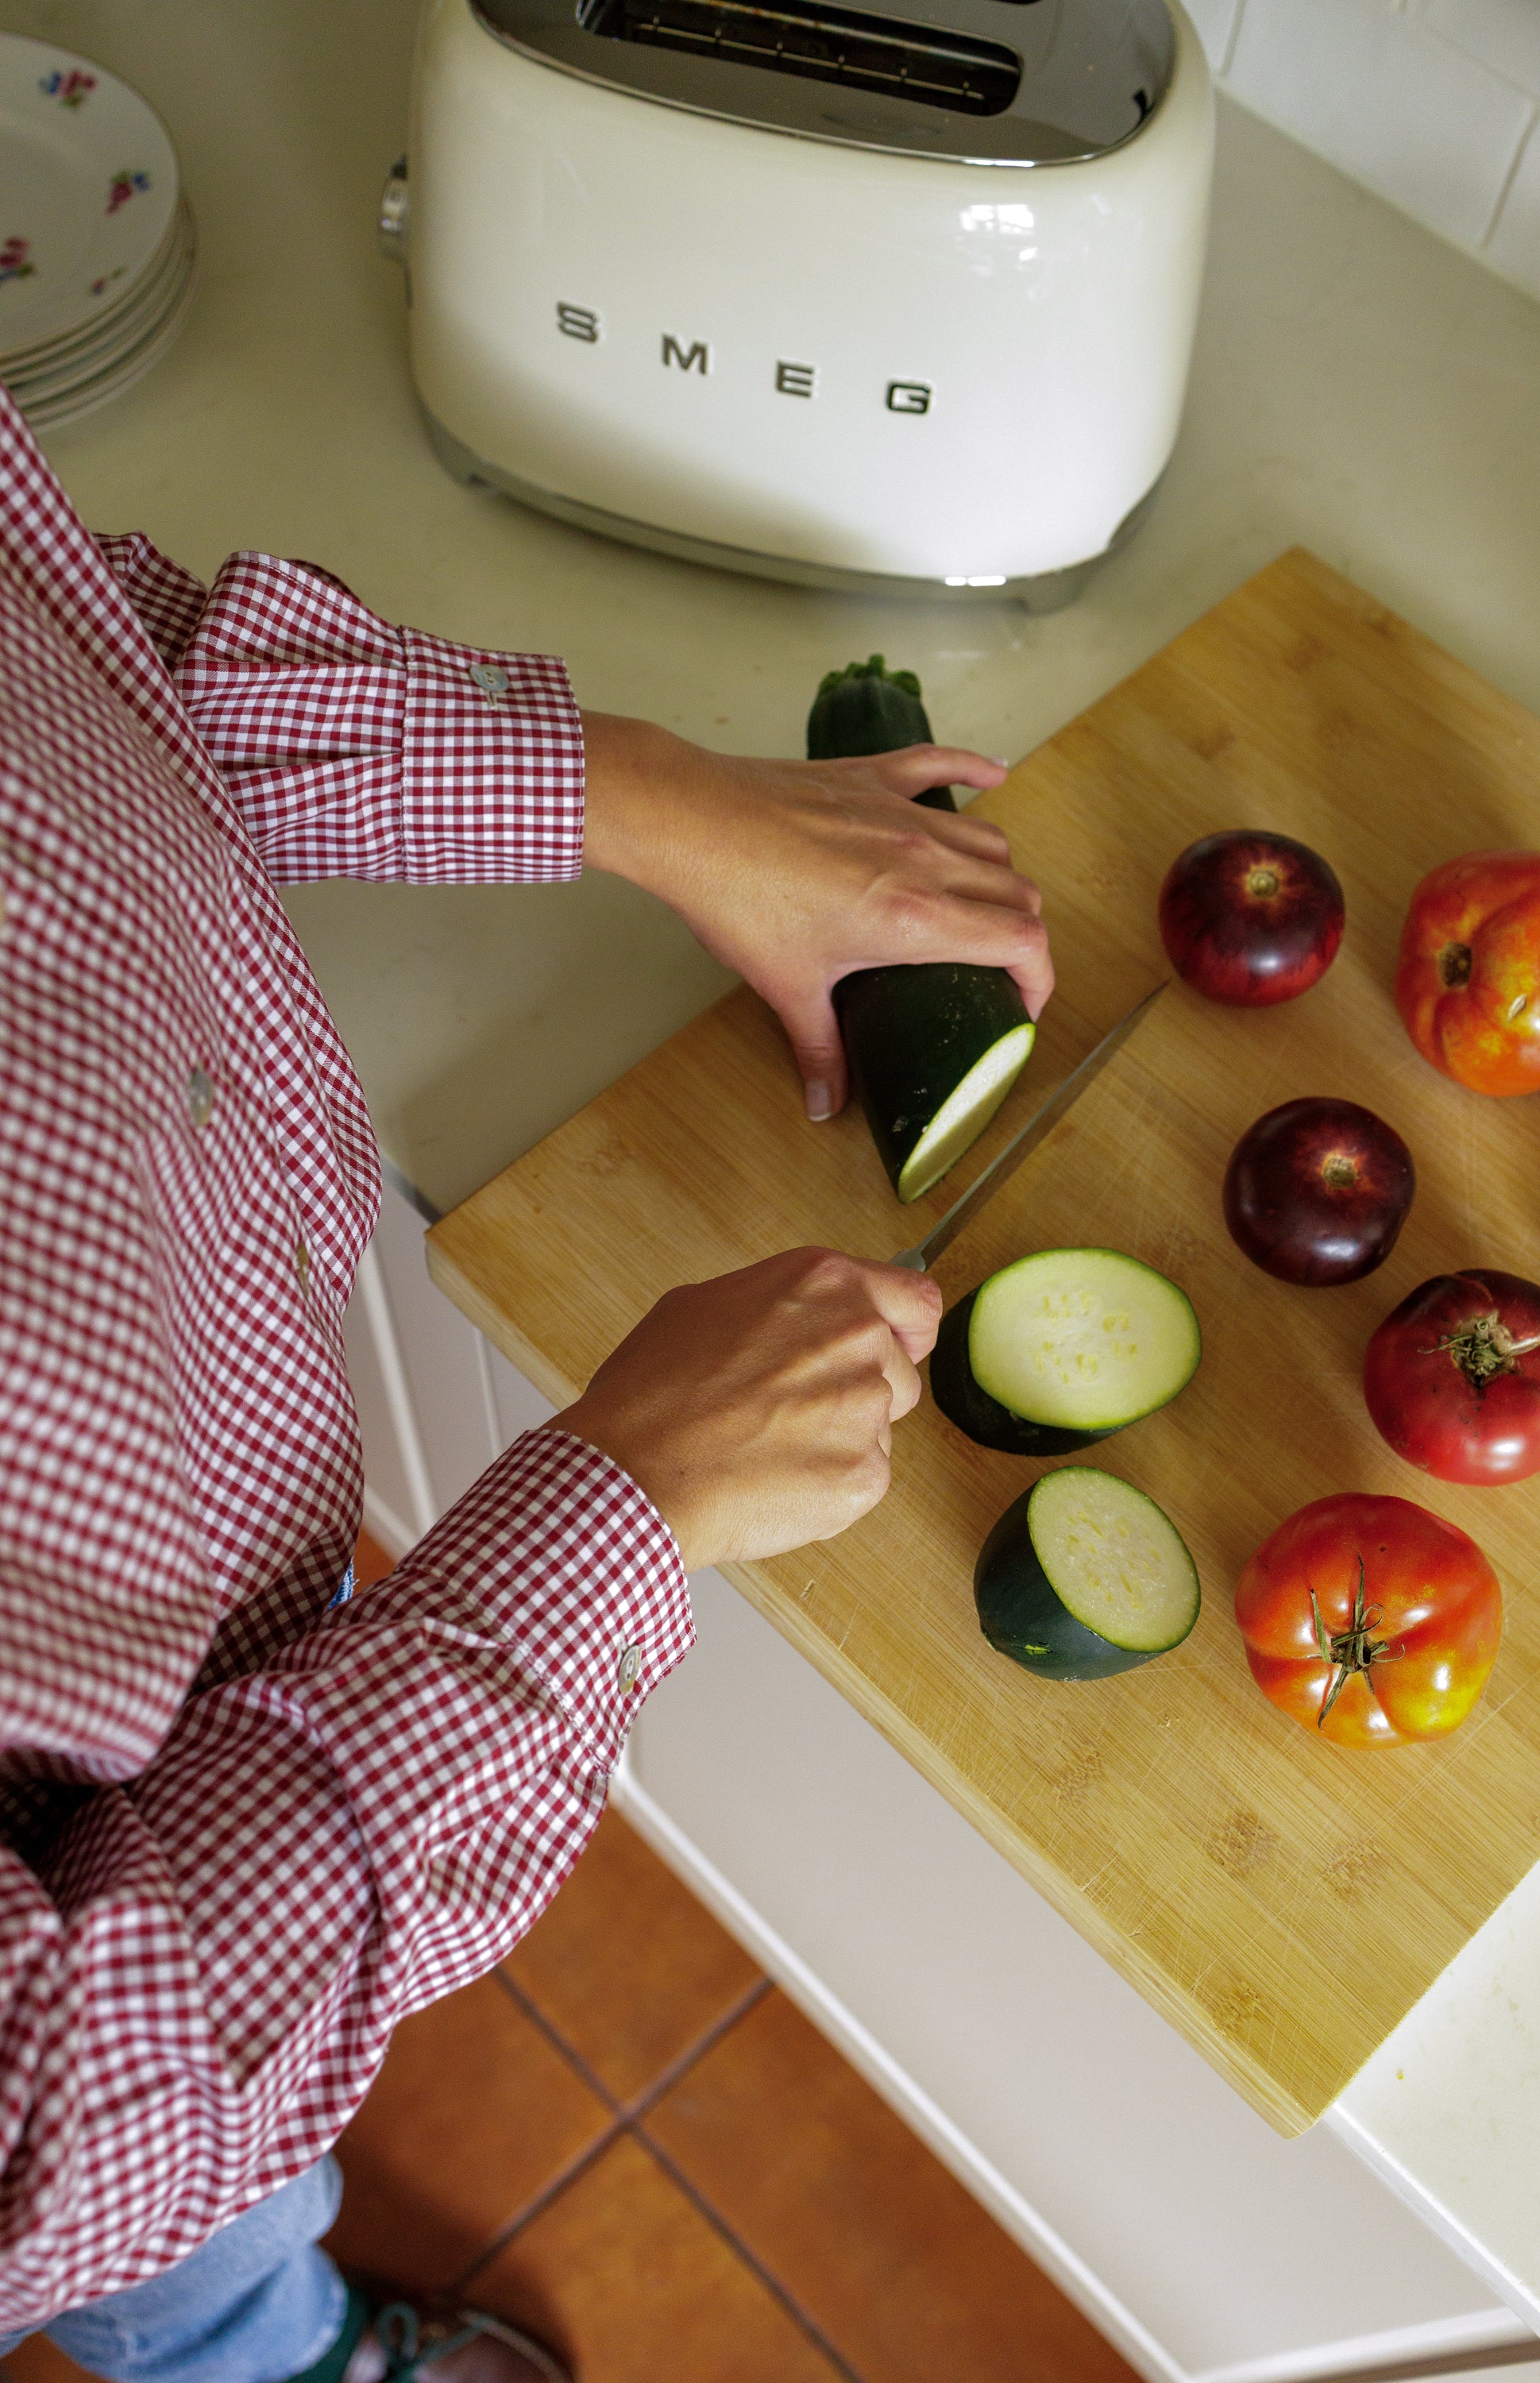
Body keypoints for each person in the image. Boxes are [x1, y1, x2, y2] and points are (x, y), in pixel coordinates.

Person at [0, 385, 1050, 2383]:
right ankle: (285, 2365)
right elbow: (51, 2127)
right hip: (98, 1893)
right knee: (192, 2231)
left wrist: (632, 789)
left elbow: (60, 644)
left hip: (207, 1556)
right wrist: (621, 1510)